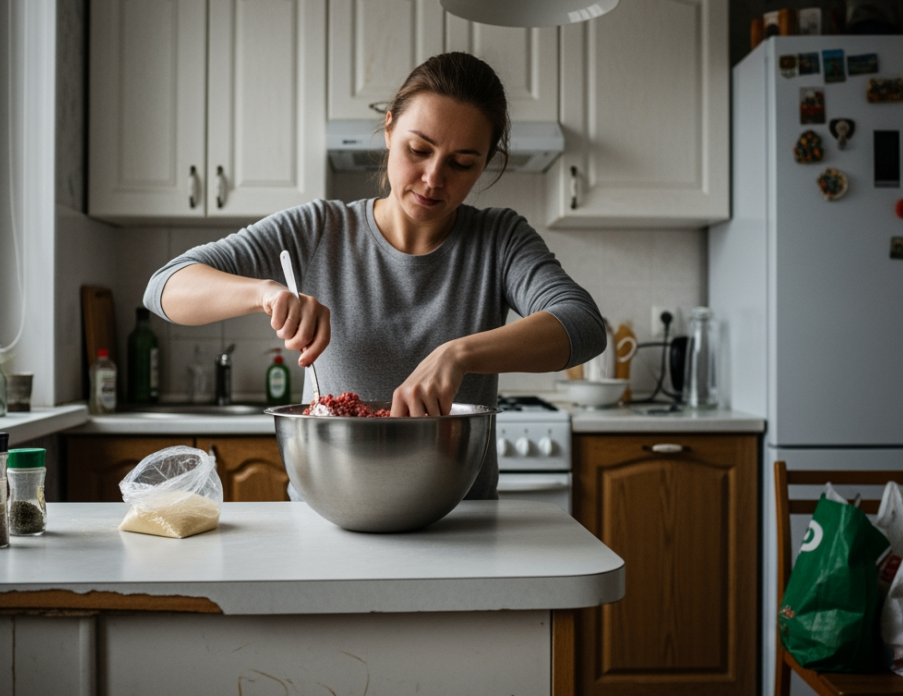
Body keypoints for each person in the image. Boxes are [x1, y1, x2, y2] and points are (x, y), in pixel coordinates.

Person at [143, 52, 605, 499]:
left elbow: (582, 324)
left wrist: (459, 354)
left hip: (461, 522)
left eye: (462, 163)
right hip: (329, 515)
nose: (432, 178)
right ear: (389, 129)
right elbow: (165, 285)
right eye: (418, 149)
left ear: (485, 163)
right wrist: (264, 293)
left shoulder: (500, 239)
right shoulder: (316, 229)